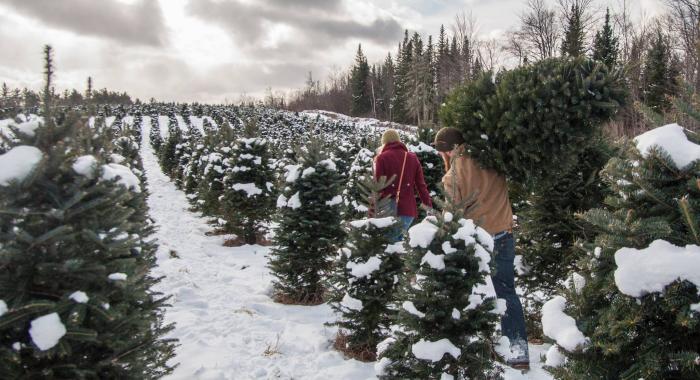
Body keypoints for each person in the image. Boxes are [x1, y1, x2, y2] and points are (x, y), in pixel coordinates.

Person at [434, 127, 530, 370]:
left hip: (477, 240)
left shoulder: (453, 176)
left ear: (451, 150)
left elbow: (451, 216)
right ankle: (518, 350)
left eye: (443, 153)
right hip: (504, 233)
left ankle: (475, 348)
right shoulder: (492, 158)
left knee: (472, 292)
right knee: (506, 291)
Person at [374, 129, 432, 241]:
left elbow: (378, 186)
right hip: (408, 210)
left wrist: (375, 208)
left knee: (389, 247)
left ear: (384, 142)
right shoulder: (412, 157)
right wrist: (428, 206)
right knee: (398, 245)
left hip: (388, 210)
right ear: (399, 141)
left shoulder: (382, 158)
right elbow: (421, 185)